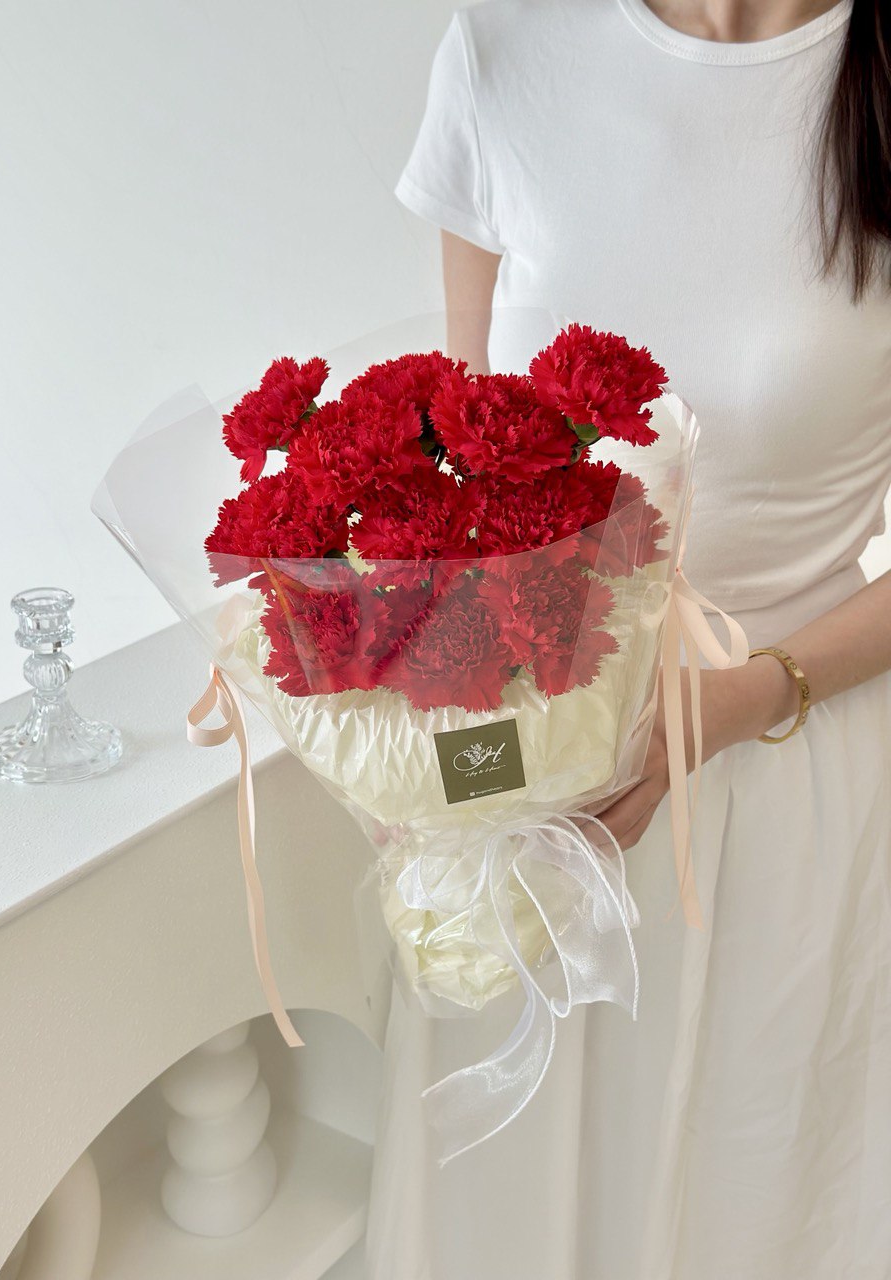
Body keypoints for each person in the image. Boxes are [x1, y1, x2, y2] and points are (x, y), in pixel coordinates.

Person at [365, 1, 891, 1276]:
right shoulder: (506, 56)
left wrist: (718, 710)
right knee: (513, 1218)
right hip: (533, 792)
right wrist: (413, 741)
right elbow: (461, 447)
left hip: (785, 778)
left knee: (751, 1206)